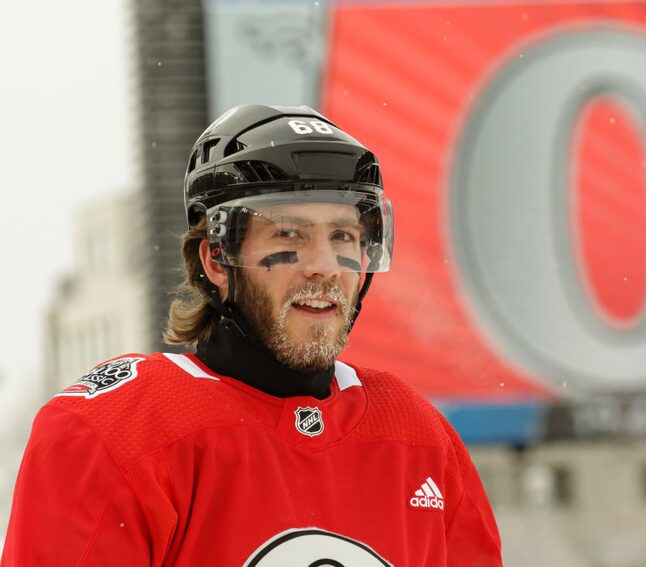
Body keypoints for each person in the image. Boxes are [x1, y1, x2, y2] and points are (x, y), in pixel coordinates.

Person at [2, 105, 502, 566]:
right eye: (289, 234)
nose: (324, 267)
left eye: (343, 236)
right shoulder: (112, 432)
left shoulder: (419, 437)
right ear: (217, 259)